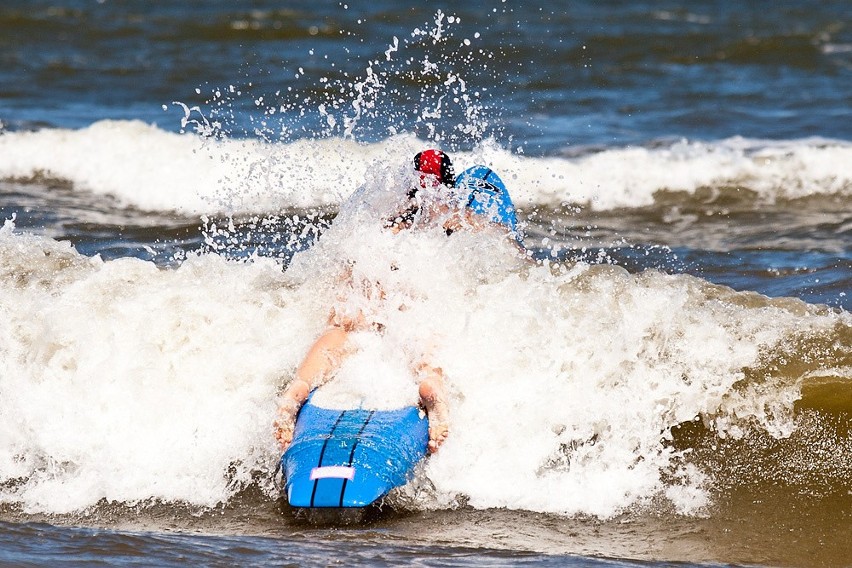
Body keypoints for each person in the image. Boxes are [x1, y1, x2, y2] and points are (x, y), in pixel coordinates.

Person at [274, 149, 515, 455]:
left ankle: (299, 386)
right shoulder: (450, 212)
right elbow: (497, 244)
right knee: (423, 329)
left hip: (376, 261)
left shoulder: (391, 215)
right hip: (417, 267)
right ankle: (430, 383)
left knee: (343, 329)